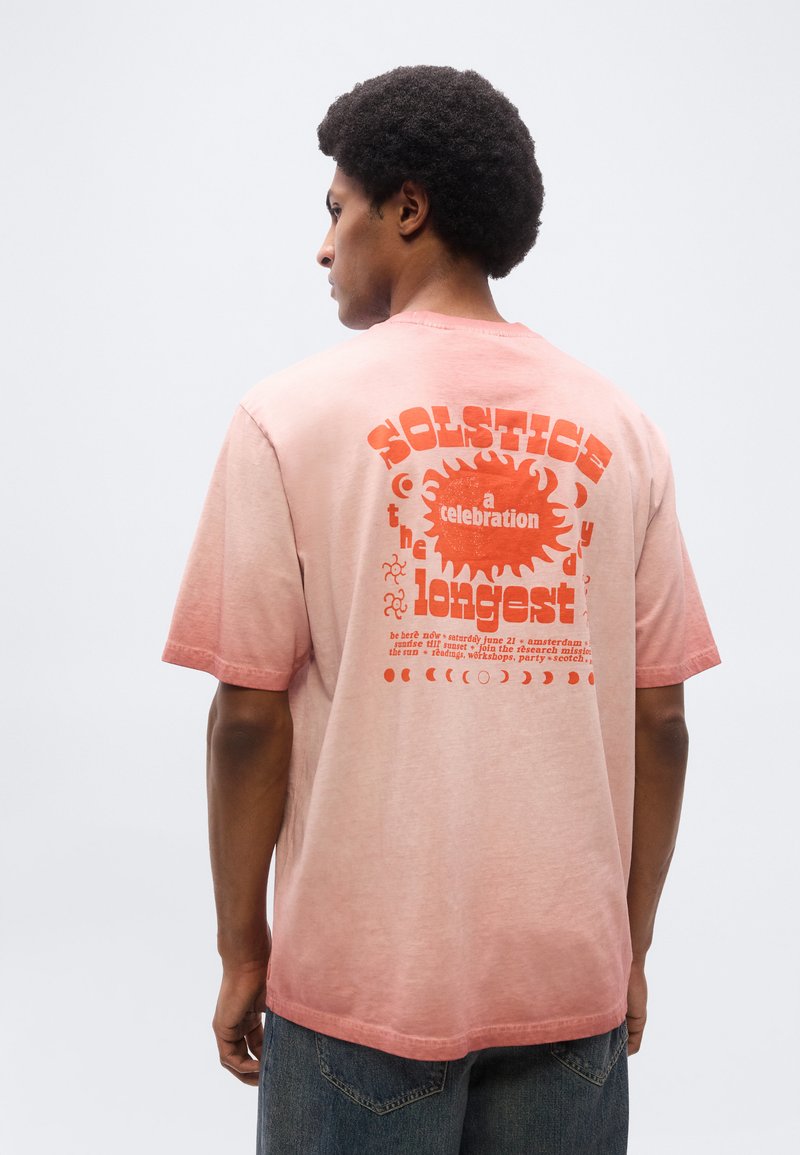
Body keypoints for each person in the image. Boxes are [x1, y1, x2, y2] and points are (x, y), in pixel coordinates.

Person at [162, 65, 720, 1154]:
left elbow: (247, 718)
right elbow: (661, 718)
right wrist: (629, 945)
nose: (323, 247)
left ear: (406, 208)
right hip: (568, 983)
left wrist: (242, 950)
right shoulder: (623, 430)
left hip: (360, 984)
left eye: (337, 209)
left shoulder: (287, 418)